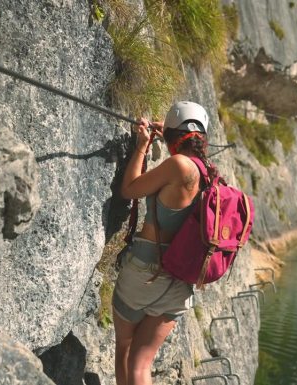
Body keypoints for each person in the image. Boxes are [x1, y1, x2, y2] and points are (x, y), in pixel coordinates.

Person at [113, 101, 219, 385]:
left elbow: (129, 188)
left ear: (173, 136)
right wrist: (170, 135)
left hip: (145, 274)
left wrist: (141, 145)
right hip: (180, 283)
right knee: (141, 364)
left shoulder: (177, 165)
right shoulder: (210, 174)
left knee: (125, 350)